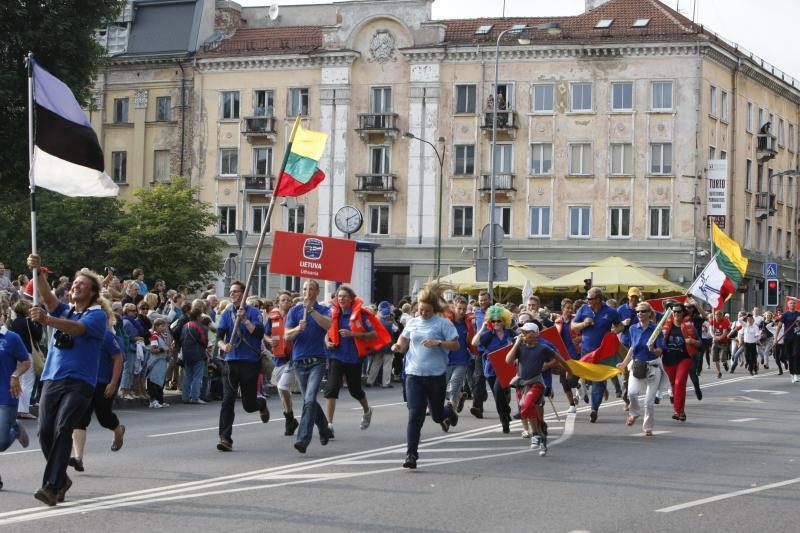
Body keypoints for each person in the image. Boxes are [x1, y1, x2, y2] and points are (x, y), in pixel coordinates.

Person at [27, 255, 110, 506]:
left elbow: (76, 329)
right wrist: (36, 272)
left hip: (79, 382)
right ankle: (62, 479)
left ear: (94, 292)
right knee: (44, 433)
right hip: (52, 377)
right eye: (74, 282)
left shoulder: (97, 315)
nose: (76, 286)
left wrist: (47, 320)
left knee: (64, 428)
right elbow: (49, 299)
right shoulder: (67, 309)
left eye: (82, 284)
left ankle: (51, 487)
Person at [391, 283, 459, 469]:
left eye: (427, 311)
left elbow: (455, 345)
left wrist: (438, 343)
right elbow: (403, 341)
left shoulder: (443, 324)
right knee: (415, 414)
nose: (423, 314)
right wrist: (397, 347)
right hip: (414, 374)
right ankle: (411, 454)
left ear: (434, 310)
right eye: (420, 310)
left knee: (437, 416)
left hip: (436, 376)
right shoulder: (412, 322)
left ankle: (449, 411)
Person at [324, 285, 388, 434]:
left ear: (352, 298)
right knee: (332, 389)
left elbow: (373, 334)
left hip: (354, 358)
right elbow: (327, 332)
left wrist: (353, 334)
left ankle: (367, 410)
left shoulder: (360, 315)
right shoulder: (333, 313)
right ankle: (329, 425)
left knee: (355, 391)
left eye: (345, 296)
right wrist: (327, 341)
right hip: (336, 356)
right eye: (339, 296)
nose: (341, 299)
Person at [215, 281, 269, 452]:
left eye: (236, 291)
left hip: (250, 363)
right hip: (231, 362)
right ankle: (225, 438)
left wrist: (245, 320)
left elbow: (259, 333)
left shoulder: (253, 312)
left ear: (244, 293)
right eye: (231, 292)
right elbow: (219, 337)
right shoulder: (226, 313)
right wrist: (224, 347)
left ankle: (260, 404)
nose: (232, 294)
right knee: (227, 400)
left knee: (248, 405)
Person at [285, 279, 334, 454]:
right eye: (305, 289)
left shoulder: (323, 309)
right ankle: (324, 429)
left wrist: (311, 310)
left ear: (317, 292)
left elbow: (329, 325)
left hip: (317, 361)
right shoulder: (295, 310)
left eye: (311, 289)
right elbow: (286, 335)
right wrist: (298, 328)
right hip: (299, 362)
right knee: (309, 400)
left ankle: (303, 438)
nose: (307, 292)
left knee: (310, 398)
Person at [506, 322, 569, 456]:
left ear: (534, 334)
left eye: (525, 332)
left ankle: (535, 434)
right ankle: (541, 435)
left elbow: (560, 359)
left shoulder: (543, 348)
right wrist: (516, 344)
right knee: (530, 411)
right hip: (521, 384)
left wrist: (570, 371)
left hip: (536, 383)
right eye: (521, 332)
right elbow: (508, 360)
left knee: (527, 405)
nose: (522, 335)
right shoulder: (520, 347)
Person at [68, 328, 125, 473]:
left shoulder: (106, 336)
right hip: (84, 382)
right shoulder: (79, 334)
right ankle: (78, 458)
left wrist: (113, 383)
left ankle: (118, 432)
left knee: (104, 418)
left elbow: (118, 358)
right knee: (80, 420)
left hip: (103, 383)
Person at [571, 287, 622, 423]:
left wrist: (613, 334)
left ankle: (594, 409)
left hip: (602, 352)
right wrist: (584, 323)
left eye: (590, 298)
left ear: (598, 299)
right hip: (586, 352)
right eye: (587, 298)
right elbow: (573, 326)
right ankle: (596, 393)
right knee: (583, 379)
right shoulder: (583, 309)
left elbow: (620, 326)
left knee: (598, 382)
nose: (587, 301)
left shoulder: (610, 312)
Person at [616, 302, 664, 436]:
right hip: (637, 365)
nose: (639, 314)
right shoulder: (632, 328)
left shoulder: (656, 329)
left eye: (643, 311)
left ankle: (648, 427)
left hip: (653, 367)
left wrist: (653, 350)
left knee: (648, 402)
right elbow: (632, 348)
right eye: (638, 312)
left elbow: (660, 351)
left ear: (649, 313)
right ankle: (634, 413)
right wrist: (624, 363)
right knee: (631, 392)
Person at [0, 303, 32, 491]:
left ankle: (16, 429)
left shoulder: (11, 338)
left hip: (6, 394)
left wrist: (15, 375)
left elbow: (26, 362)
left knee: (2, 443)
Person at [471, 304, 517, 434]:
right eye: (493, 321)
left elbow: (521, 342)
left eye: (499, 320)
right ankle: (506, 412)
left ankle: (504, 421)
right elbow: (474, 343)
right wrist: (482, 329)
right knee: (498, 396)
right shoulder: (489, 335)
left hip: (506, 369)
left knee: (498, 391)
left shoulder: (511, 333)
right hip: (491, 370)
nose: (496, 323)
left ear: (504, 321)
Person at [267, 291, 299, 436]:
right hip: (278, 357)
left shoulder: (294, 315)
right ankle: (290, 417)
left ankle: (289, 418)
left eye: (288, 300)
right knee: (283, 392)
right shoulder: (272, 317)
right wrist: (269, 341)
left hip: (292, 357)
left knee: (282, 387)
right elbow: (265, 333)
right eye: (283, 300)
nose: (286, 302)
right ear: (278, 302)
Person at [661, 303, 698, 422]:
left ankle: (676, 411)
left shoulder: (690, 327)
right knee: (674, 386)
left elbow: (700, 343)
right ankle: (681, 412)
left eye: (679, 312)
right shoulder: (665, 326)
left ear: (683, 313)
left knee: (679, 382)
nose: (676, 314)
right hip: (668, 359)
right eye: (674, 312)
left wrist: (692, 340)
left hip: (684, 358)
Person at [9, 299, 42, 420]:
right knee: (28, 381)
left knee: (19, 380)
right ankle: (23, 409)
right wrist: (38, 323)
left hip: (14, 354)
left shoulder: (12, 322)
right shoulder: (28, 322)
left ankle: (18, 407)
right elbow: (38, 336)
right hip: (27, 353)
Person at [444, 296, 475, 416]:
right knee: (443, 387)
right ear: (454, 308)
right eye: (459, 308)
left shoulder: (467, 324)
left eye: (464, 309)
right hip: (446, 359)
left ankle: (450, 414)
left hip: (462, 360)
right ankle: (461, 396)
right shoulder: (447, 322)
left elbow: (470, 342)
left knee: (454, 386)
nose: (462, 311)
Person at [469, 290, 492, 419]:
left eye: (485, 299)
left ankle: (504, 399)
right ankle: (477, 407)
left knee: (495, 380)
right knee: (478, 378)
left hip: (494, 349)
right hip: (480, 350)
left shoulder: (495, 311)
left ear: (489, 300)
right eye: (480, 300)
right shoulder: (475, 313)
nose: (482, 302)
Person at [181, 304, 208, 405]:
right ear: (198, 316)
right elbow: (204, 340)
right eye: (200, 315)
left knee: (187, 375)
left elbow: (181, 338)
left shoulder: (185, 325)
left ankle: (185, 397)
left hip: (186, 353)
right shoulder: (200, 326)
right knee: (197, 376)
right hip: (197, 353)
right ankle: (195, 397)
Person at [366, 301, 397, 388]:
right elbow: (396, 329)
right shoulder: (391, 323)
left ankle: (370, 381)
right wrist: (393, 320)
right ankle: (385, 383)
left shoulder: (376, 321)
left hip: (378, 346)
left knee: (375, 364)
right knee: (387, 365)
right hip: (388, 346)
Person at [146, 318, 171, 408]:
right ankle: (153, 401)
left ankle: (160, 400)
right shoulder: (155, 336)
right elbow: (153, 349)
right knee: (154, 381)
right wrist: (163, 349)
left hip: (162, 362)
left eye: (164, 326)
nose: (164, 327)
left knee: (160, 382)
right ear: (156, 326)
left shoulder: (162, 336)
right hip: (155, 362)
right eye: (162, 326)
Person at [779, 298, 800, 382]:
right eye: (790, 303)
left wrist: (799, 321)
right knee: (790, 357)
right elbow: (779, 326)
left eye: (793, 303)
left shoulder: (798, 314)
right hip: (787, 338)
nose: (792, 304)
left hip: (797, 337)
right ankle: (792, 373)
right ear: (788, 305)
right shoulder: (785, 315)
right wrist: (776, 338)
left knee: (796, 355)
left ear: (795, 305)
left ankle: (796, 374)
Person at [711, 310, 732, 379]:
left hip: (723, 342)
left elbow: (725, 332)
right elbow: (710, 330)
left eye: (719, 315)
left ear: (721, 316)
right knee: (715, 358)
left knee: (722, 357)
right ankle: (719, 372)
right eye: (716, 315)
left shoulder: (724, 321)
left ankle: (725, 363)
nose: (717, 316)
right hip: (715, 341)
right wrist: (714, 336)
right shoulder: (713, 321)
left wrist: (719, 338)